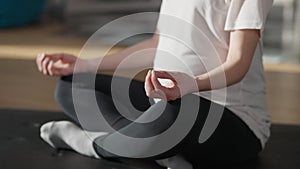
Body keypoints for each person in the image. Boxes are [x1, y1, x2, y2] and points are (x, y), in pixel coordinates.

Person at [36, 0, 274, 168]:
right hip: (165, 103)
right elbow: (157, 44)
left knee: (175, 113)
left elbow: (238, 63)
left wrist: (190, 85)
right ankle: (157, 150)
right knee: (72, 86)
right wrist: (85, 65)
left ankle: (94, 145)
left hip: (232, 121)